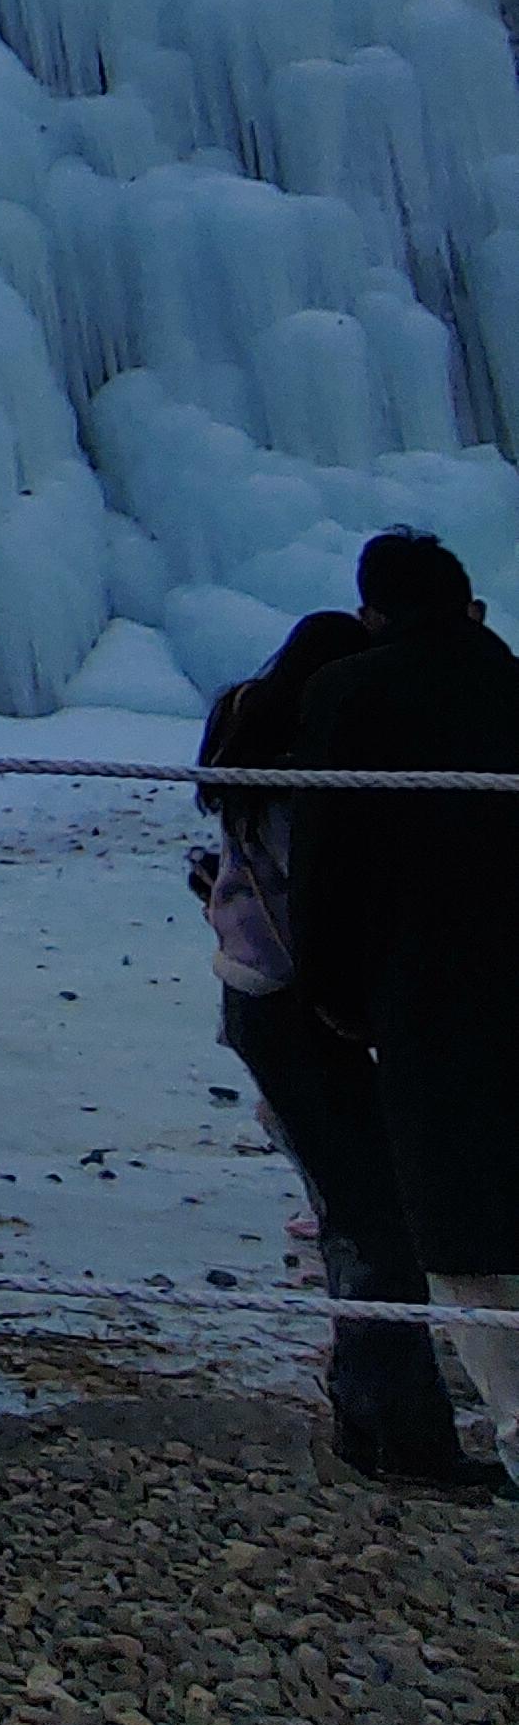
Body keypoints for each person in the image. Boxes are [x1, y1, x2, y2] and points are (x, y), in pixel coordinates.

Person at [198, 607, 496, 1493]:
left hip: (258, 1001)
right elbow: (325, 907)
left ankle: (376, 1428)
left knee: (354, 1211)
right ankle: (406, 1444)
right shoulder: (306, 780)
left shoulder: (254, 757)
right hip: (296, 1009)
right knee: (374, 1222)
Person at [292, 528, 519, 1486]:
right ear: (470, 606)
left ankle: (515, 1427)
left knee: (464, 1228)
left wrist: (337, 996)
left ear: (373, 613)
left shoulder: (349, 695)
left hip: (427, 998)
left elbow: (327, 871)